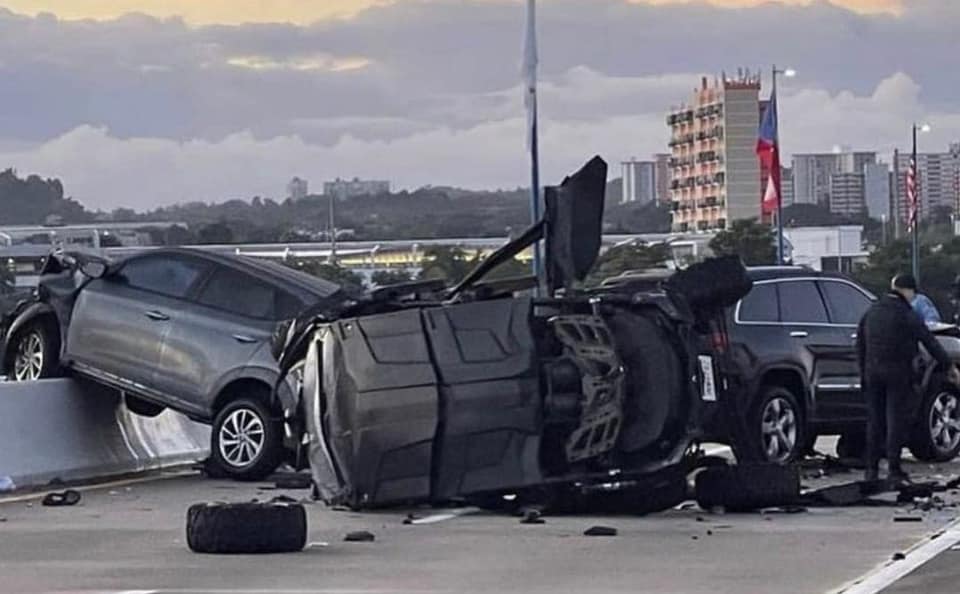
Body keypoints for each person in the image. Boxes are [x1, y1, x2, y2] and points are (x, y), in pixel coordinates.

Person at [856, 274, 960, 483]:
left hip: (872, 372)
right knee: (895, 419)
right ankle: (894, 468)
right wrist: (949, 366)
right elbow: (928, 340)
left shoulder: (871, 311)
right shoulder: (906, 313)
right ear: (909, 291)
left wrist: (863, 373)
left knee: (875, 421)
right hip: (897, 373)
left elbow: (860, 343)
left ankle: (871, 470)